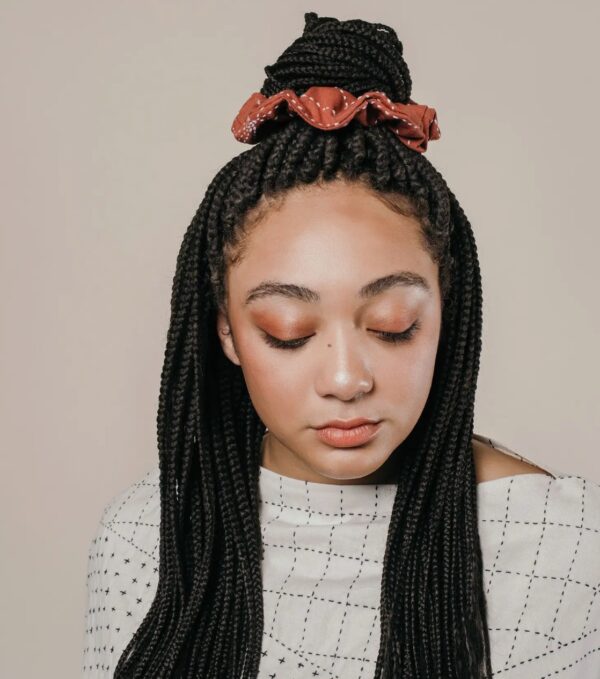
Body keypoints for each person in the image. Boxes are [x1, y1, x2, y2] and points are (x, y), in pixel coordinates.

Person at [82, 12, 600, 678]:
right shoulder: (147, 538)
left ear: (448, 314)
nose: (347, 377)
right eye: (288, 333)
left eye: (391, 325)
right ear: (227, 333)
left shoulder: (560, 545)